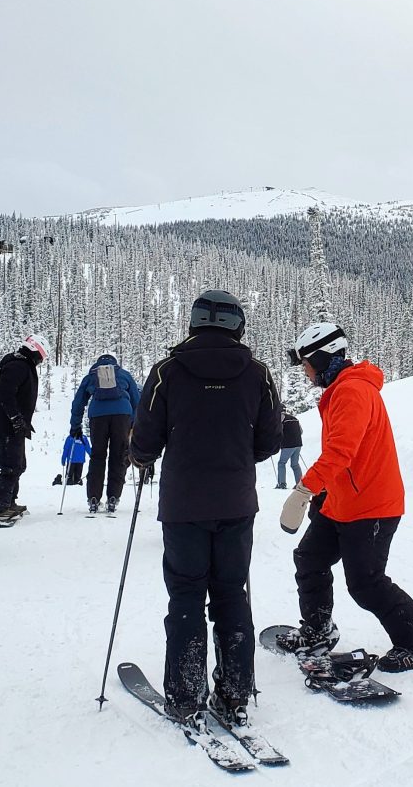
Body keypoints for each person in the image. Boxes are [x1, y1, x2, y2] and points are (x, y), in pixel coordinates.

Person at [128, 290, 283, 732]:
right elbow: (270, 442)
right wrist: (234, 454)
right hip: (236, 502)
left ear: (195, 322)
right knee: (232, 594)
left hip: (182, 506)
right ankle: (234, 696)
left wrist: (142, 457)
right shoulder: (258, 374)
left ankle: (184, 694)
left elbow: (144, 441)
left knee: (186, 595)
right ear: (238, 325)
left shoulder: (167, 372)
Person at [276, 321, 413, 673]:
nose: (304, 371)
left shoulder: (352, 391)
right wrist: (324, 493)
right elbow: (348, 455)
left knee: (365, 583)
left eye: (306, 363)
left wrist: (304, 490)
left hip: (372, 507)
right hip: (343, 503)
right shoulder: (343, 390)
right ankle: (318, 632)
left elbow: (341, 451)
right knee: (310, 558)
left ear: (322, 357)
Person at [0, 334, 48, 522]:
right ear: (35, 352)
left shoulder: (20, 365)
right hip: (6, 426)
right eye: (41, 358)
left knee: (18, 465)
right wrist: (15, 418)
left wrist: (20, 421)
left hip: (12, 426)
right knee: (10, 466)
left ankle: (8, 501)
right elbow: (6, 394)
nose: (40, 362)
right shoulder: (18, 366)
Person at [70, 353, 141, 515]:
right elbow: (137, 401)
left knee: (98, 456)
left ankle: (93, 498)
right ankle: (113, 497)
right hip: (122, 416)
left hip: (98, 417)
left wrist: (75, 425)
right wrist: (134, 425)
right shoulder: (124, 374)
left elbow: (78, 402)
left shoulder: (91, 376)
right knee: (119, 456)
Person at [275, 410, 303, 490]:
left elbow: (278, 431)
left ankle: (282, 483)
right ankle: (299, 484)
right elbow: (301, 431)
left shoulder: (281, 418)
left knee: (281, 463)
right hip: (298, 444)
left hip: (288, 445)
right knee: (295, 464)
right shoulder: (295, 418)